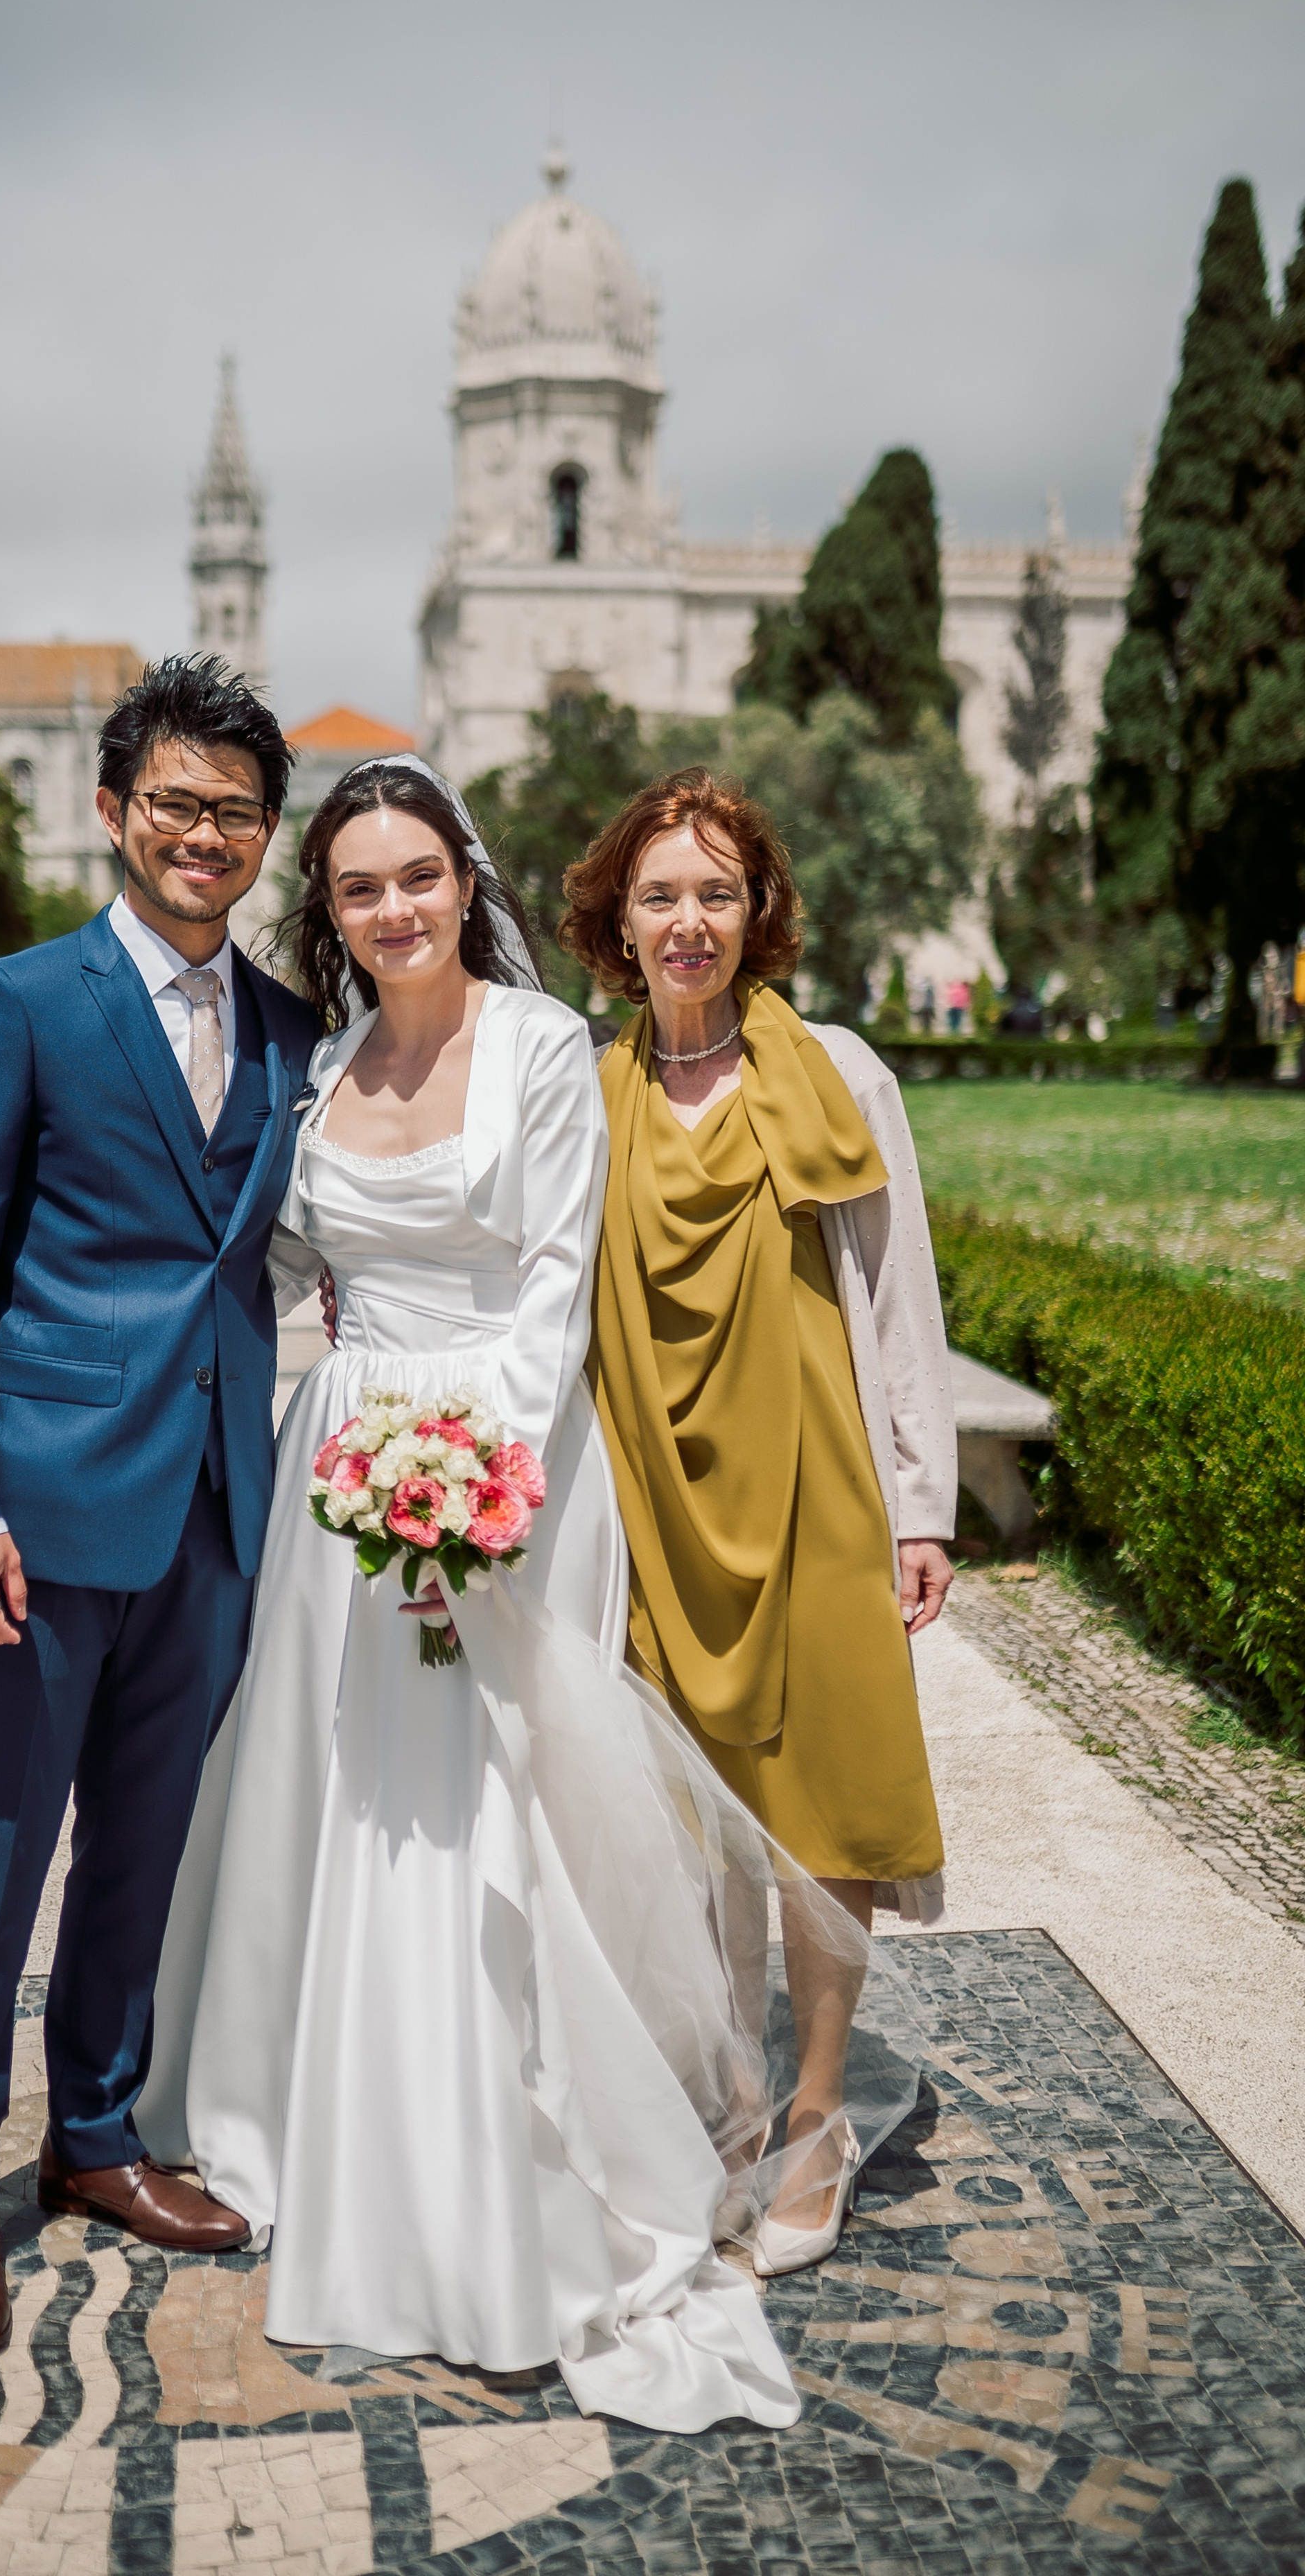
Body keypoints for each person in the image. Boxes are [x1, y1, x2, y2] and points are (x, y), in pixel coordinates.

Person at [150, 757, 920, 2433]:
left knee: (502, 1819)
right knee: (343, 1807)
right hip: (338, 1472)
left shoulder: (542, 1047)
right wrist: (344, 1423)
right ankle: (325, 2117)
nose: (392, 908)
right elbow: (291, 1261)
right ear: (330, 914)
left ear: (463, 880)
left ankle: (552, 2122)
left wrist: (463, 1491)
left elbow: (557, 1276)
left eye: (416, 875)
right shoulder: (327, 1060)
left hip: (496, 1473)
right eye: (358, 888)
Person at [0, 655, 320, 2355]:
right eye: (176, 803)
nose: (203, 833)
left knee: (139, 1855)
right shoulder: (11, 1002)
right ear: (112, 809)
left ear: (264, 834)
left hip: (216, 1516)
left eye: (234, 810)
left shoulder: (290, 1028)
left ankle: (92, 2140)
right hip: (41, 1518)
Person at [561, 766, 954, 2277]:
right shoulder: (587, 1091)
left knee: (815, 1811)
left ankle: (812, 2113)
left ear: (756, 913)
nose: (686, 921)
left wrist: (919, 1501)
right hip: (650, 1490)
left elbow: (896, 1296)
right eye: (658, 893)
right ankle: (727, 2096)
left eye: (715, 892)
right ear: (613, 918)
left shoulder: (836, 1073)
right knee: (689, 1818)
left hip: (817, 1488)